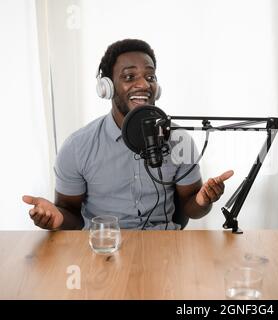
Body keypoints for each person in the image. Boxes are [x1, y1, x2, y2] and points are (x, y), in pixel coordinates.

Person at [23, 39, 233, 230]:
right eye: (129, 76)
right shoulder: (77, 147)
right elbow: (71, 214)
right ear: (106, 87)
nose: (143, 84)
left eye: (150, 77)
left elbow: (191, 208)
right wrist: (56, 218)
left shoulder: (179, 140)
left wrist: (204, 200)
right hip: (104, 248)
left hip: (164, 247)